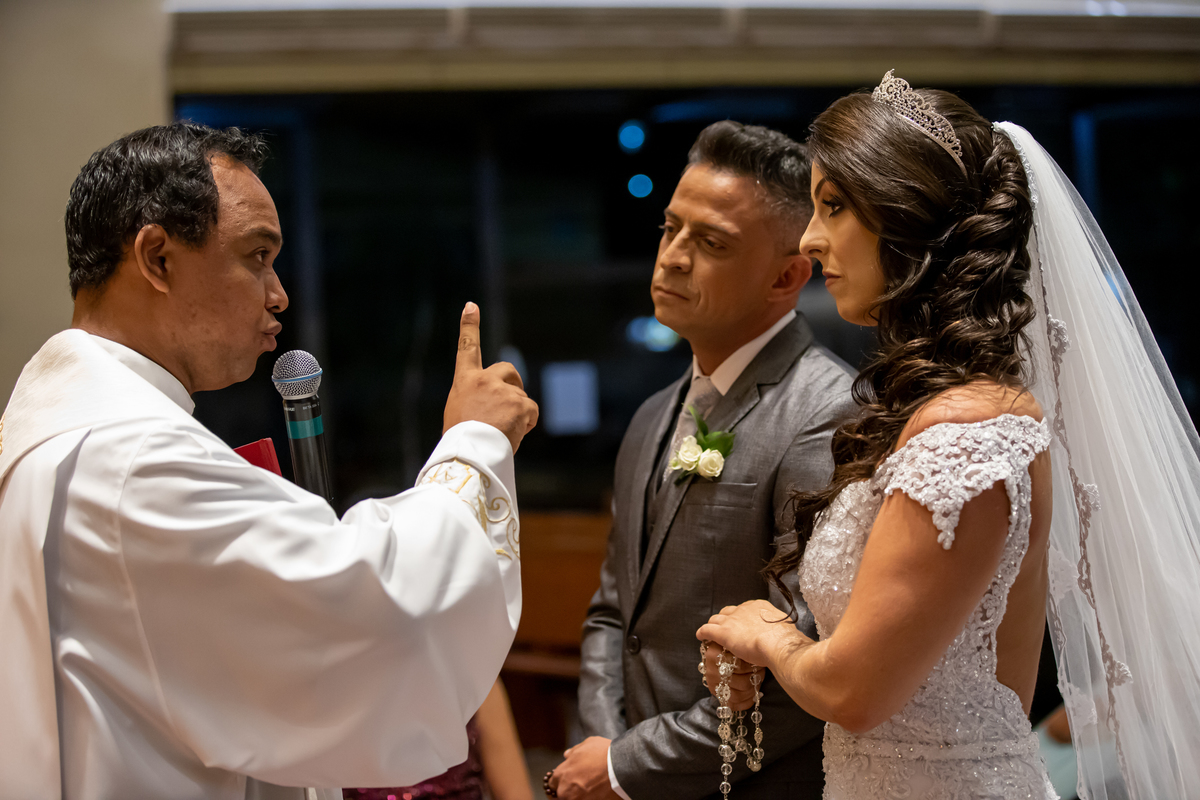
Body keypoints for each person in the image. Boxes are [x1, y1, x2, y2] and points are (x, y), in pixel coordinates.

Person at [697, 72, 1200, 800]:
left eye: (834, 206)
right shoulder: (946, 413)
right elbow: (939, 667)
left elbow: (854, 693)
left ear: (907, 215)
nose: (810, 239)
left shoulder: (969, 432)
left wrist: (766, 636)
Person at [0, 123, 539, 800]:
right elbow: (380, 616)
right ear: (158, 258)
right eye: (257, 256)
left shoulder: (51, 436)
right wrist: (473, 443)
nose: (278, 293)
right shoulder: (133, 459)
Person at [548, 122, 856, 800]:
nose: (673, 258)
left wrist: (626, 765)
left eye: (711, 243)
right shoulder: (652, 414)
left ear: (787, 276)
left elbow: (814, 666)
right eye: (670, 229)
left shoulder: (829, 411)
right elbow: (613, 614)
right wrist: (606, 746)